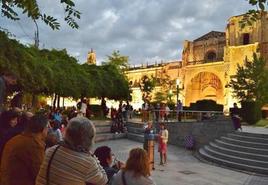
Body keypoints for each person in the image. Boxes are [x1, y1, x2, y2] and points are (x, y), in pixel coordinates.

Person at [36, 117, 108, 185]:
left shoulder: (52, 150)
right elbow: (104, 180)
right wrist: (93, 156)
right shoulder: (88, 162)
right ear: (89, 138)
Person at [0, 114, 49, 185]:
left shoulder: (16, 139)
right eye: (48, 127)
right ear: (43, 129)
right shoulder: (33, 145)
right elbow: (40, 174)